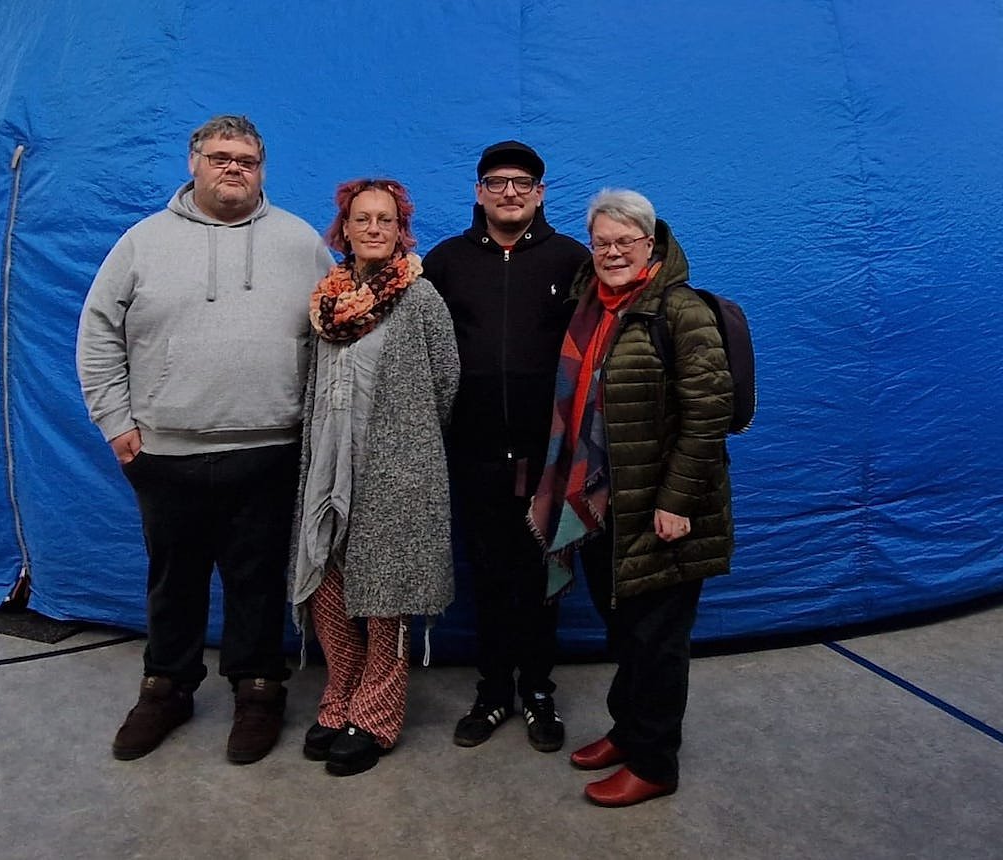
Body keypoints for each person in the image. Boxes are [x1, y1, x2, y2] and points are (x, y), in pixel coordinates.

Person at [76, 114, 333, 765]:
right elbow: (99, 331)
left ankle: (259, 689)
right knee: (174, 580)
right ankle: (166, 687)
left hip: (271, 449)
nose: (233, 168)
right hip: (167, 451)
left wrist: (319, 433)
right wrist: (116, 422)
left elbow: (335, 335)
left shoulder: (300, 243)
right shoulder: (142, 243)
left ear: (262, 170)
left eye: (246, 159)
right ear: (193, 163)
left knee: (259, 580)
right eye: (220, 157)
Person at [529, 188, 733, 806]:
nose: (613, 252)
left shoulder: (681, 310)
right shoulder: (590, 304)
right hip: (601, 501)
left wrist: (677, 503)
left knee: (658, 641)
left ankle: (654, 762)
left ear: (651, 243)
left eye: (626, 241)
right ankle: (628, 731)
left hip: (662, 508)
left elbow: (708, 415)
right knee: (625, 629)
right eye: (602, 242)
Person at [423, 141, 590, 752]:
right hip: (473, 454)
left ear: (540, 194)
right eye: (497, 182)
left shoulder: (573, 260)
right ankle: (493, 691)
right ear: (479, 192)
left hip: (551, 456)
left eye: (522, 182)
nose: (510, 192)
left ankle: (539, 690)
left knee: (543, 574)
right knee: (489, 576)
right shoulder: (446, 262)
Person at [290, 178, 459, 777]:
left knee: (387, 590)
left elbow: (446, 381)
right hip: (327, 458)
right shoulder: (327, 301)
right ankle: (340, 694)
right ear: (345, 228)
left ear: (400, 228)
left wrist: (405, 443)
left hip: (396, 465)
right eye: (362, 219)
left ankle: (376, 714)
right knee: (326, 575)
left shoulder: (421, 297)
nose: (373, 229)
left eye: (385, 219)